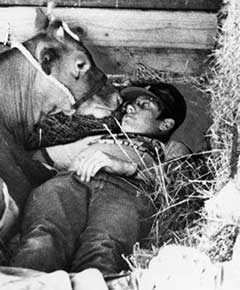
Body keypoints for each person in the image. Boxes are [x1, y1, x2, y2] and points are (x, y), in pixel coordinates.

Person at [10, 83, 187, 275]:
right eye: (130, 103)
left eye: (144, 105)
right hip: (71, 183)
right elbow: (36, 159)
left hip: (126, 193)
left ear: (166, 124)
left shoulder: (170, 148)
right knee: (40, 240)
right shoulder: (95, 139)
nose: (129, 108)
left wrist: (127, 168)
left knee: (102, 253)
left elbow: (179, 188)